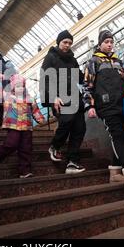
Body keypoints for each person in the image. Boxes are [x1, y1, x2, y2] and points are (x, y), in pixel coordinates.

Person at [82, 30, 124, 191]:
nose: (110, 44)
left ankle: (114, 172)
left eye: (111, 42)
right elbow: (86, 85)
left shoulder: (118, 61)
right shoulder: (93, 61)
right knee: (116, 134)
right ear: (100, 44)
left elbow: (122, 80)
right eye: (106, 42)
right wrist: (89, 106)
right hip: (104, 105)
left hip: (121, 103)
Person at [39, 30, 86, 174]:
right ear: (59, 42)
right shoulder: (50, 57)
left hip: (75, 98)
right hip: (59, 98)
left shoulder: (72, 59)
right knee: (67, 121)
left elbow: (80, 78)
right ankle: (54, 146)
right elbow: (45, 79)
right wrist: (53, 97)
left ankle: (72, 162)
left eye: (70, 43)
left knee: (80, 128)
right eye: (65, 42)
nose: (67, 45)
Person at [0, 73, 45, 178]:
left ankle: (25, 171)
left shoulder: (30, 98)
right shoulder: (8, 96)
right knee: (12, 143)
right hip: (13, 125)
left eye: (22, 86)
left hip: (27, 127)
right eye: (17, 86)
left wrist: (40, 118)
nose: (20, 88)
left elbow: (35, 110)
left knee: (26, 148)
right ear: (12, 87)